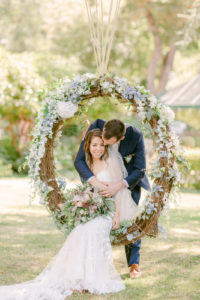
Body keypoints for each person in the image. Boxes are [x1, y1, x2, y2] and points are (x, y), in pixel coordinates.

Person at [0, 129, 138, 299]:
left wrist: (117, 215)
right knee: (79, 232)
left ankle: (93, 279)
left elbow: (118, 192)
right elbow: (89, 190)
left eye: (101, 145)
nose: (98, 149)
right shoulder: (88, 165)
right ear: (88, 146)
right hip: (94, 209)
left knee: (91, 230)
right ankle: (77, 280)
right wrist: (83, 202)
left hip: (108, 211)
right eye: (94, 145)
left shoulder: (112, 163)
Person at [75, 119, 151, 279]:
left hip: (128, 183)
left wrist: (119, 185)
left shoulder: (135, 136)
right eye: (102, 139)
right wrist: (94, 182)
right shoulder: (96, 127)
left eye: (107, 143)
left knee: (131, 222)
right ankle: (92, 266)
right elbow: (79, 160)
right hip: (99, 183)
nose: (103, 144)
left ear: (121, 138)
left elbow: (140, 169)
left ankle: (134, 264)